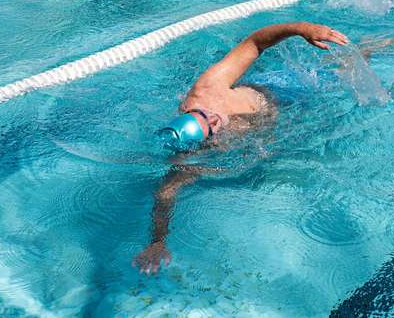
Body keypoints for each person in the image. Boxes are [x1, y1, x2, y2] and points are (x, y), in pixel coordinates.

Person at [134, 21, 351, 274]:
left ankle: (378, 47)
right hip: (291, 116)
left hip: (279, 89)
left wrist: (302, 28)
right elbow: (165, 193)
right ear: (203, 144)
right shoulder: (196, 155)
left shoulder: (208, 88)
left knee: (342, 73)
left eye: (205, 114)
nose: (215, 119)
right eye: (212, 129)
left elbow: (255, 43)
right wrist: (157, 241)